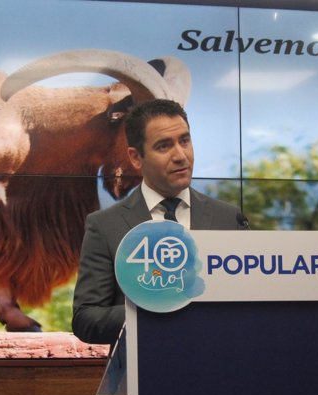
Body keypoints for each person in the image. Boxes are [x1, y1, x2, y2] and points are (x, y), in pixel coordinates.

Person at [72, 99, 246, 346]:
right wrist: (156, 308)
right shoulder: (105, 226)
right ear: (135, 158)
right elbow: (86, 319)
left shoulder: (229, 218)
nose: (180, 155)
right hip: (144, 377)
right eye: (164, 146)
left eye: (185, 141)